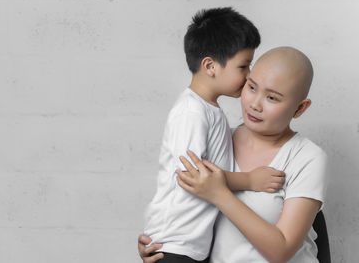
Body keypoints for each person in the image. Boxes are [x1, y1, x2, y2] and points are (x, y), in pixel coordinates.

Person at [139, 46, 328, 262]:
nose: (255, 104)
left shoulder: (308, 158)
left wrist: (219, 193)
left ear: (300, 109)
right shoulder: (216, 141)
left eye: (272, 98)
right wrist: (163, 244)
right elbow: (182, 205)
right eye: (252, 87)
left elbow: (281, 251)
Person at [142, 7, 285, 263]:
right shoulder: (191, 112)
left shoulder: (209, 110)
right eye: (243, 66)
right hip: (175, 243)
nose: (249, 74)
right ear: (210, 66)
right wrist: (250, 180)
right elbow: (194, 177)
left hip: (191, 245)